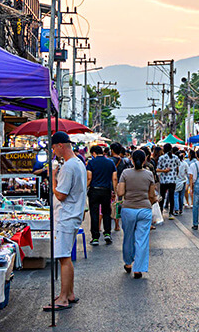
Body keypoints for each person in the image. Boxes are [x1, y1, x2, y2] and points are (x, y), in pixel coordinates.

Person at [44, 131, 87, 311]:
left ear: (60, 145)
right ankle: (68, 293)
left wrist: (52, 178)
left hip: (66, 216)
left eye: (54, 148)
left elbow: (61, 194)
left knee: (63, 257)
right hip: (72, 214)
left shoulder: (69, 166)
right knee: (66, 256)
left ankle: (63, 297)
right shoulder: (78, 163)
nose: (54, 152)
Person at [116, 149, 158, 279]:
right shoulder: (149, 174)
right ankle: (138, 269)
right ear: (145, 159)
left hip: (128, 209)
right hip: (144, 209)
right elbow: (151, 195)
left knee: (128, 237)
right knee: (142, 240)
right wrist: (151, 201)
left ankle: (128, 263)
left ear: (131, 160)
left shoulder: (125, 173)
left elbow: (120, 193)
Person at [86, 145, 118, 245]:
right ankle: (107, 233)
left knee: (94, 213)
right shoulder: (110, 162)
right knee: (106, 212)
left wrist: (84, 188)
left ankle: (95, 238)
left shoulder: (91, 162)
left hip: (94, 191)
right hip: (106, 191)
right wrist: (115, 191)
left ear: (94, 153)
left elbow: (89, 178)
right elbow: (114, 179)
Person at [156, 143, 180, 219]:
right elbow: (178, 168)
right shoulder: (175, 157)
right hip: (173, 180)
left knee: (162, 196)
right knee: (171, 196)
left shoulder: (162, 158)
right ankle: (171, 213)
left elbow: (157, 169)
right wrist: (175, 174)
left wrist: (164, 171)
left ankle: (161, 211)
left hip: (164, 180)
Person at [109, 143, 129, 231]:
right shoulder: (125, 161)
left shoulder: (110, 161)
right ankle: (117, 225)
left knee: (109, 205)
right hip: (122, 185)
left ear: (112, 150)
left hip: (111, 184)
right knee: (118, 204)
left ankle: (106, 226)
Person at [174, 149, 189, 216]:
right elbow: (188, 172)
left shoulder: (174, 163)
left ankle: (176, 209)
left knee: (176, 195)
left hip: (175, 181)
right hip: (183, 181)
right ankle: (180, 209)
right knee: (181, 196)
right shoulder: (184, 163)